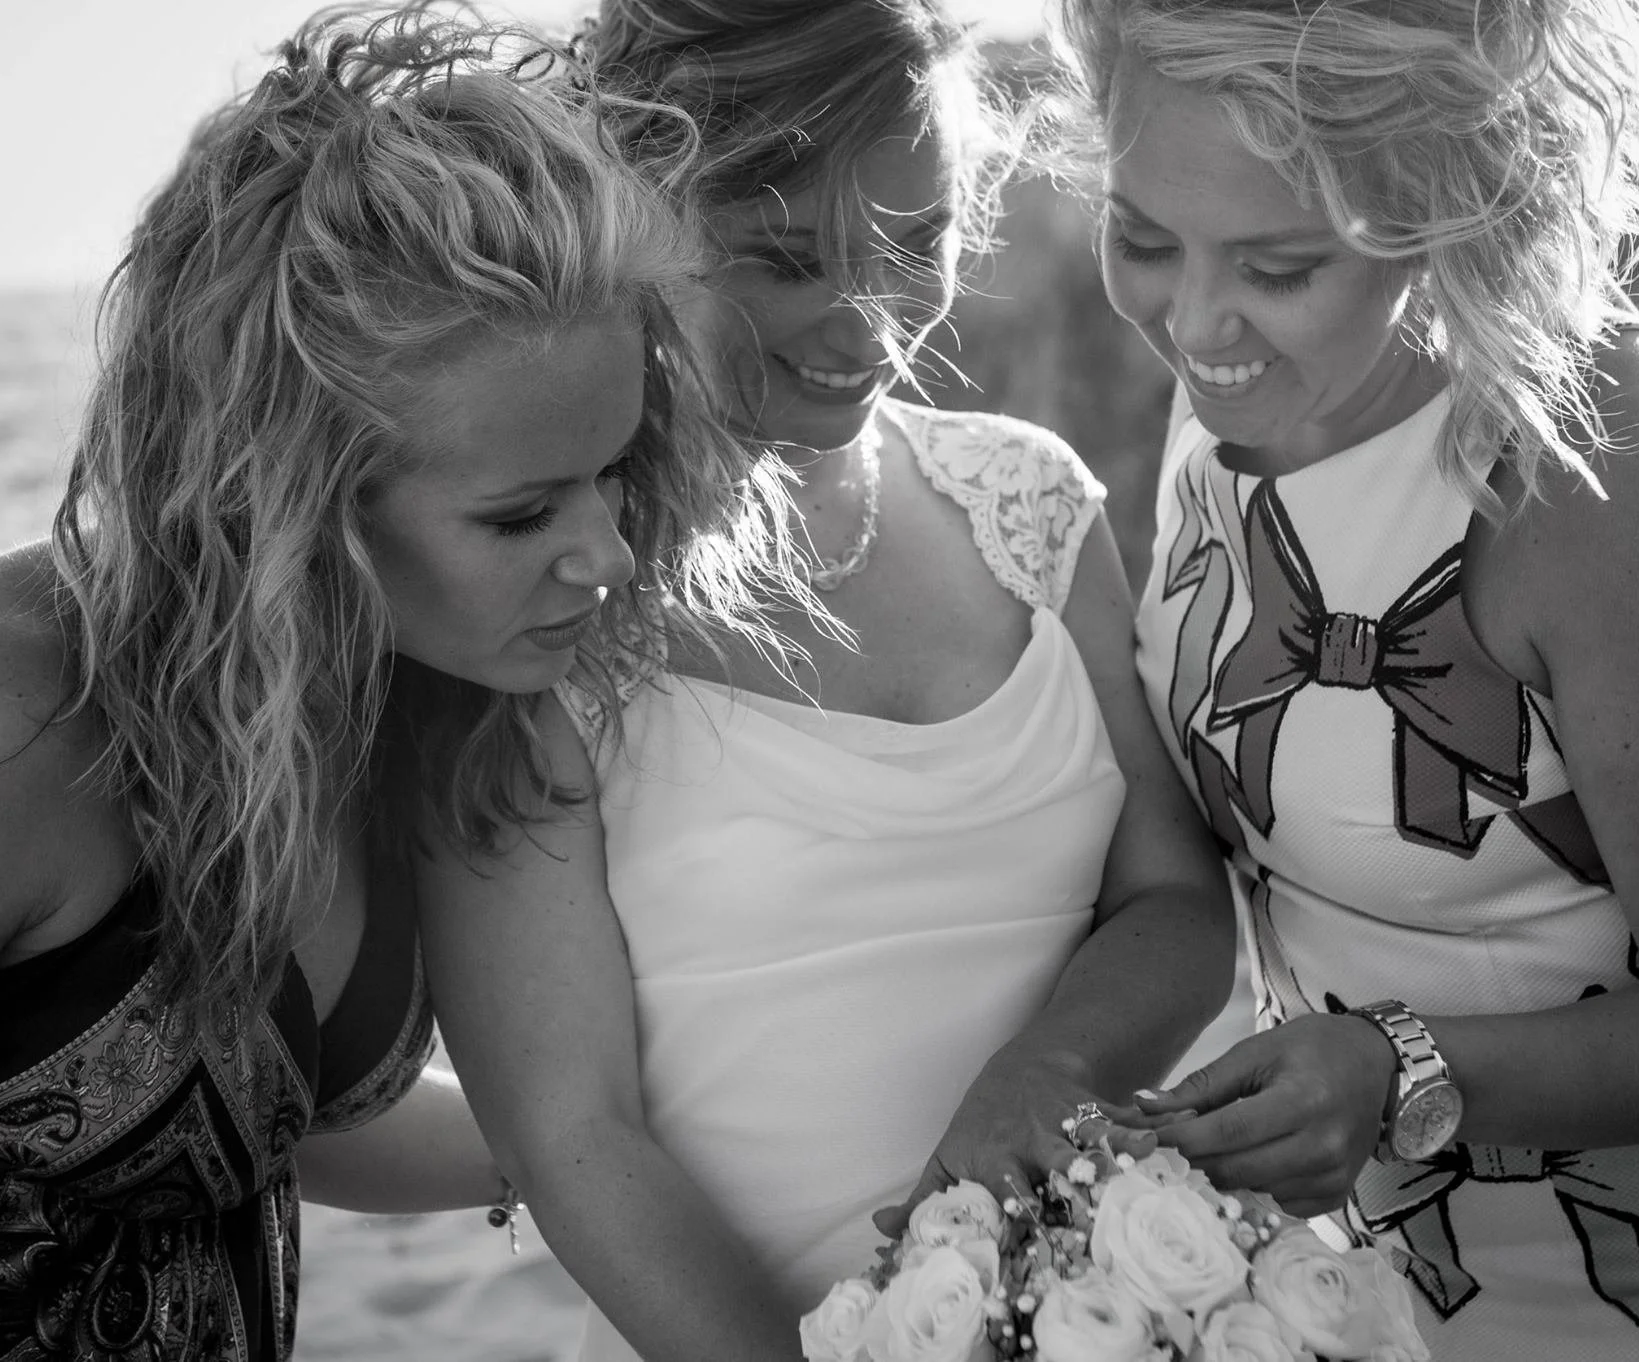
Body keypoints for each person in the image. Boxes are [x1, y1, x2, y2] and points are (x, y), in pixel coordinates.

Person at [0, 9, 792, 1358]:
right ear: (290, 501)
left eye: (616, 470)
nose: (608, 551)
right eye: (521, 515)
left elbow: (302, 1115)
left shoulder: (459, 708)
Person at [1049, 0, 1639, 1356]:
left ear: (1443, 203)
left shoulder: (1618, 470)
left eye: (1279, 264)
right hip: (1385, 1283)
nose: (1195, 322)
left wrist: (1398, 1068)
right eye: (1142, 237)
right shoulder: (1227, 409)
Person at [414, 2, 1239, 1359]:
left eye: (914, 245)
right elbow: (572, 1136)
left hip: (1121, 1301)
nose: (866, 323)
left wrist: (1046, 1074)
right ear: (639, 209)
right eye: (788, 260)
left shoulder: (1023, 500)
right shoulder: (535, 617)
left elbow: (1174, 896)